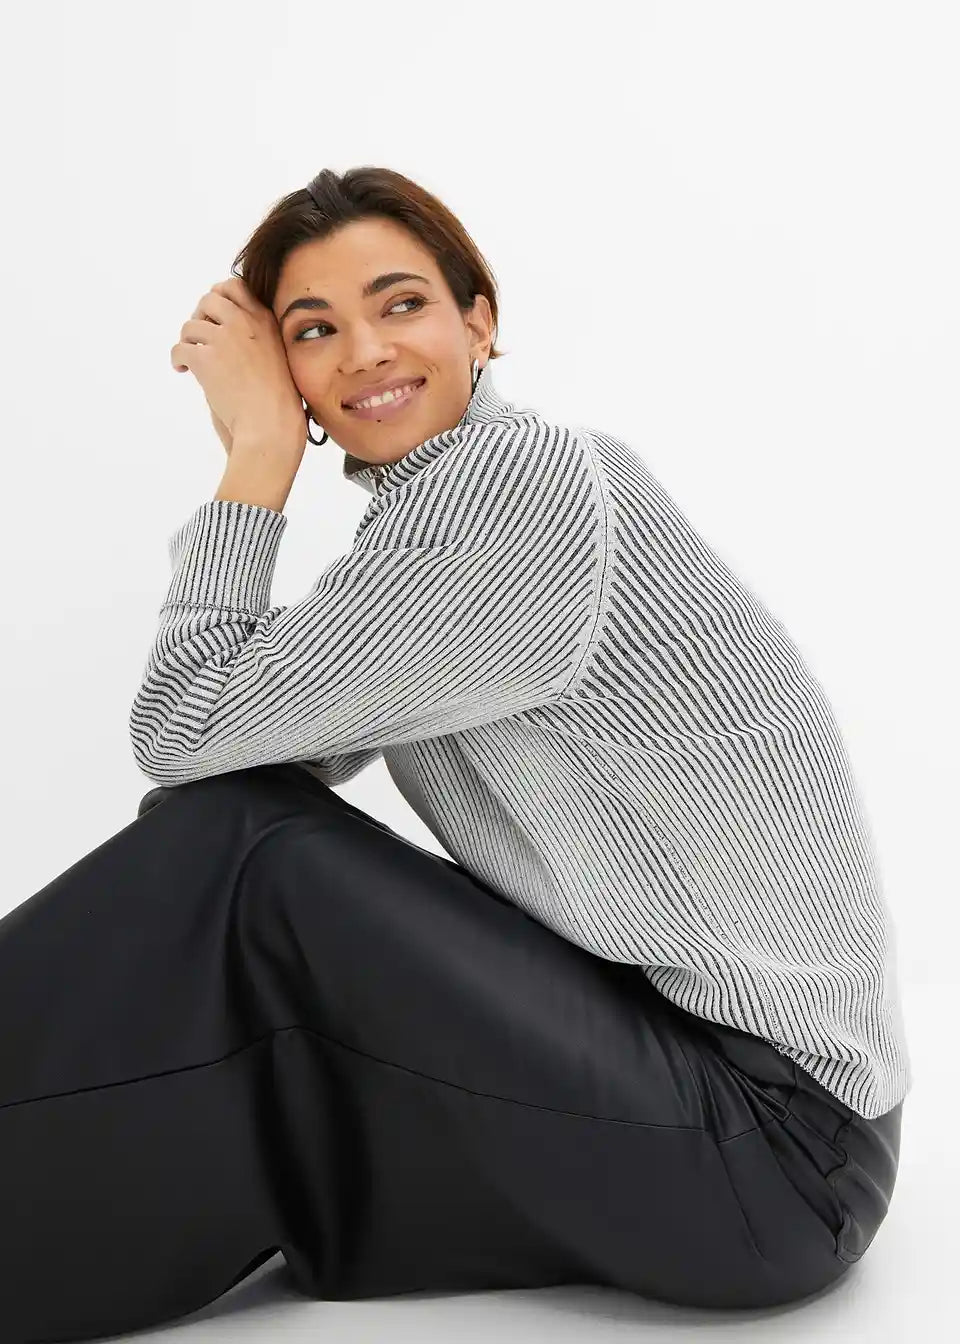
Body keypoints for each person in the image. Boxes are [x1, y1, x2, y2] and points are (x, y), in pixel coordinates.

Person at [0, 166, 908, 1341]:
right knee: (238, 856)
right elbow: (229, 762)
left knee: (251, 855)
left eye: (402, 304)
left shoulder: (514, 492)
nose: (366, 351)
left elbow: (188, 738)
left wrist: (258, 457)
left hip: (771, 1148)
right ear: (292, 370)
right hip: (719, 1109)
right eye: (314, 331)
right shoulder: (439, 524)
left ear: (480, 324)